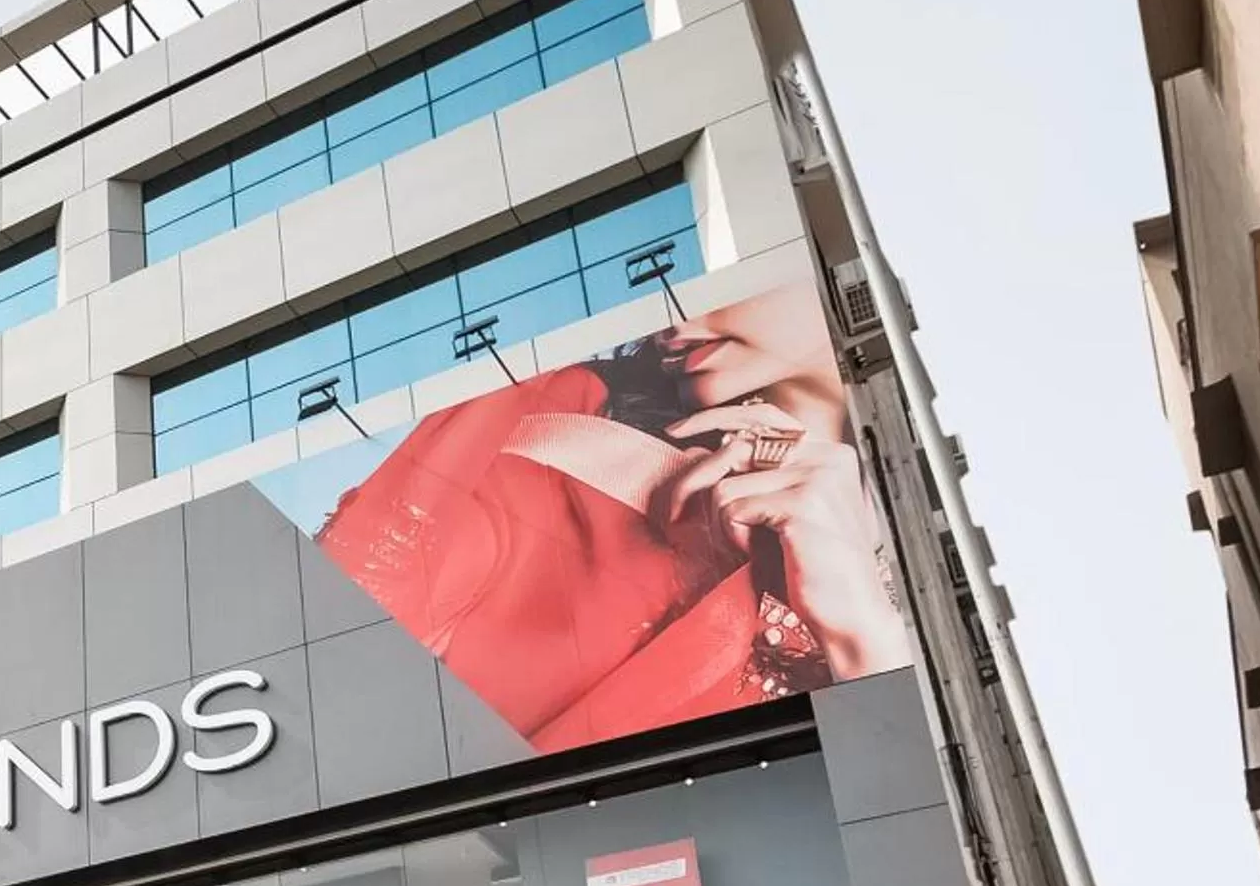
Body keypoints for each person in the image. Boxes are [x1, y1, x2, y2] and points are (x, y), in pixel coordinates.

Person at [313, 285, 913, 755]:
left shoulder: (929, 544)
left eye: (706, 266)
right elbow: (328, 664)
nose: (670, 320)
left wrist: (862, 634)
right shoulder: (546, 449)